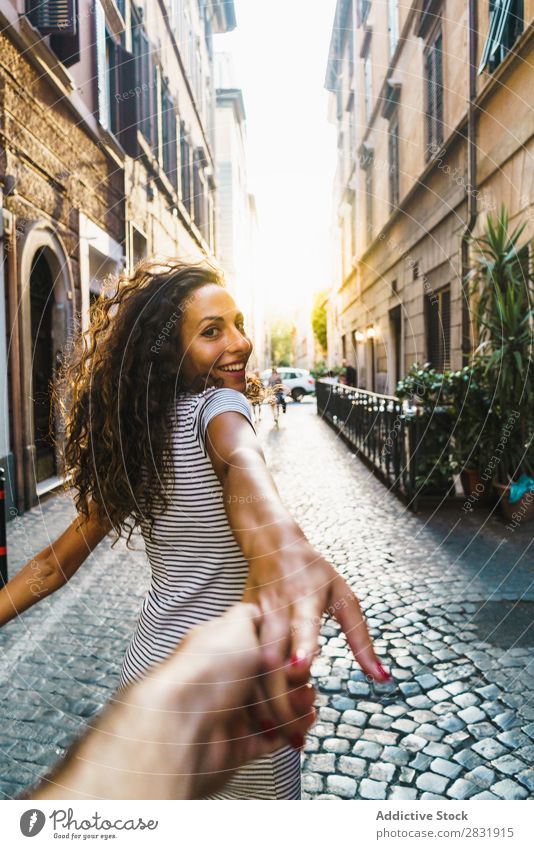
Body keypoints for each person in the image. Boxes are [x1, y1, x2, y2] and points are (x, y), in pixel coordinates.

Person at [0, 258, 389, 800]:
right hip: (228, 687)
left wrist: (278, 538)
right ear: (170, 351)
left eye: (238, 324)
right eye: (212, 332)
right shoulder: (222, 407)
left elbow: (54, 564)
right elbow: (241, 463)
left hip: (151, 678)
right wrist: (284, 542)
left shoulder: (136, 440)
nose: (240, 343)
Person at [22, 605, 316, 800]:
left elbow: (51, 565)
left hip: (150, 674)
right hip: (234, 688)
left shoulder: (120, 505)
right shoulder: (255, 510)